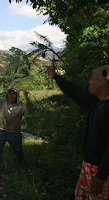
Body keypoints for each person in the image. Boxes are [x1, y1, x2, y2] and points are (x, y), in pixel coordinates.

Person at [45, 65, 109, 199]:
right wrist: (55, 76)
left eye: (92, 79)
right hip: (88, 165)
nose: (89, 82)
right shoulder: (95, 102)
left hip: (101, 172)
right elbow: (74, 91)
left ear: (102, 84)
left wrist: (100, 176)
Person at [0, 74, 33, 173]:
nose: (11, 96)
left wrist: (27, 98)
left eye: (14, 94)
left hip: (15, 133)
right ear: (7, 94)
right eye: (10, 93)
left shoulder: (21, 106)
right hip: (3, 131)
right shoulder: (2, 103)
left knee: (19, 151)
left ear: (17, 96)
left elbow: (29, 111)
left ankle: (21, 165)